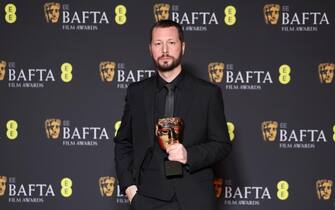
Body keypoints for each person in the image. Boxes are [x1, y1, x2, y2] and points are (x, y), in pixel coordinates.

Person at [114, 20, 232, 210]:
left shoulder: (208, 93)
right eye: (158, 43)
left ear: (183, 47)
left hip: (194, 198)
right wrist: (129, 188)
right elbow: (123, 143)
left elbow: (222, 145)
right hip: (147, 198)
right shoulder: (137, 92)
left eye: (171, 42)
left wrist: (189, 155)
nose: (165, 50)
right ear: (150, 48)